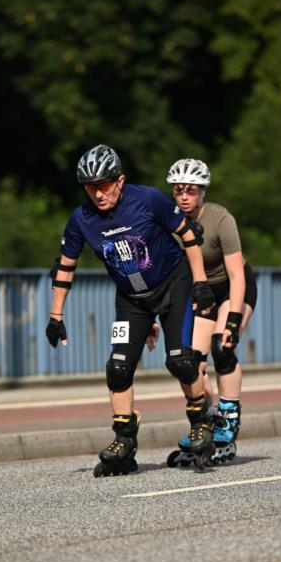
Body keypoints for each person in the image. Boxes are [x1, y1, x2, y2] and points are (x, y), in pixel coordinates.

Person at [45, 144, 217, 475]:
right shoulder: (81, 219)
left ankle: (201, 422)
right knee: (118, 368)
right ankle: (124, 438)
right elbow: (65, 267)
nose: (98, 194)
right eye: (90, 187)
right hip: (132, 298)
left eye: (104, 185)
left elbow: (189, 236)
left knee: (181, 361)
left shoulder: (148, 199)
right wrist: (56, 317)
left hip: (174, 284)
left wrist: (201, 283)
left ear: (120, 180)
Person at [161, 158, 257, 465]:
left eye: (191, 190)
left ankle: (228, 419)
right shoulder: (169, 224)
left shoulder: (220, 219)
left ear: (203, 191)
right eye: (178, 190)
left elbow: (237, 274)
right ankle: (204, 423)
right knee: (191, 363)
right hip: (199, 292)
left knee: (222, 347)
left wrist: (232, 321)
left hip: (232, 287)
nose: (184, 196)